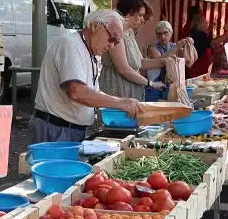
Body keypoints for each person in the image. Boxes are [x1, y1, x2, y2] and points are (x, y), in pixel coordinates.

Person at [29, 9, 143, 143]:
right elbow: (76, 91)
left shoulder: (89, 52)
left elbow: (93, 92)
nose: (112, 45)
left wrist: (122, 102)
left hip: (68, 129)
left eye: (116, 42)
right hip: (56, 129)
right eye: (112, 38)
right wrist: (121, 103)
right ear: (95, 26)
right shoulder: (71, 45)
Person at [99, 0, 170, 102]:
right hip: (117, 92)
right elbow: (123, 69)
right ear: (130, 12)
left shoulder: (130, 33)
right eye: (141, 15)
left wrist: (165, 62)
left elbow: (140, 62)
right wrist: (150, 83)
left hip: (131, 93)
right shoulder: (116, 33)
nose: (142, 20)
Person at [145, 20, 176, 101]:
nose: (162, 37)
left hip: (167, 87)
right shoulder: (152, 47)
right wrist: (177, 47)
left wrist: (190, 45)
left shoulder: (173, 46)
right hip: (154, 87)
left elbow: (189, 61)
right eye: (159, 34)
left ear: (171, 33)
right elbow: (160, 62)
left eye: (165, 33)